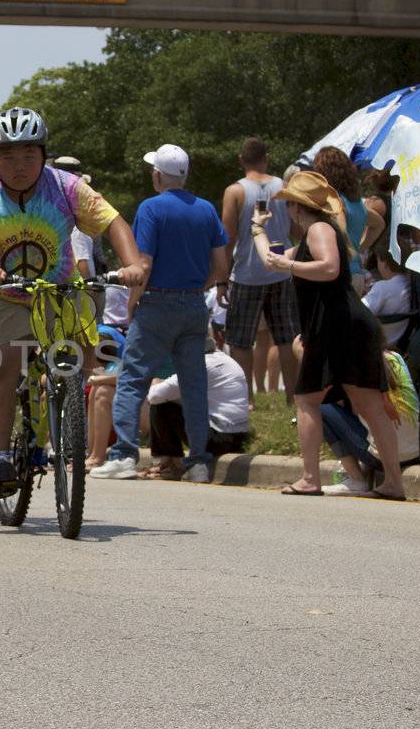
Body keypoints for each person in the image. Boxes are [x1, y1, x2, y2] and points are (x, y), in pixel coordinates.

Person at [0, 108, 147, 495]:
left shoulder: (66, 188)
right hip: (1, 294)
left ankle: (62, 410)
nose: (19, 167)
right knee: (4, 361)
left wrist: (132, 263)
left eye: (29, 156)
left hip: (57, 290)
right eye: (9, 158)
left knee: (84, 352)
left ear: (43, 155)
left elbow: (113, 222)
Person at [253, 170, 404, 498]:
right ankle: (393, 482)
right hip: (347, 325)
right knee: (367, 403)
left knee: (307, 399)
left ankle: (310, 478)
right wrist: (257, 228)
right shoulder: (316, 232)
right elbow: (270, 260)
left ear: (297, 208)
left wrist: (288, 267)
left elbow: (330, 267)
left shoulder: (319, 229)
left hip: (335, 325)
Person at [92, 144, 228, 482]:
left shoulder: (151, 208)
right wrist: (198, 286)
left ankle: (124, 455)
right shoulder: (207, 210)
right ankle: (198, 462)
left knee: (133, 377)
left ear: (157, 175)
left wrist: (133, 299)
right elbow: (222, 266)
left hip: (156, 301)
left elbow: (144, 263)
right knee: (194, 384)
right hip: (194, 304)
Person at [219, 137, 300, 406]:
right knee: (286, 338)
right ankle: (292, 395)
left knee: (241, 341)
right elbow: (296, 228)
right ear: (267, 157)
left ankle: (247, 399)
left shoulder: (235, 192)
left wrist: (221, 278)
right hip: (281, 270)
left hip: (247, 273)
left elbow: (227, 238)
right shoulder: (283, 187)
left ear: (241, 160)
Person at [144, 337, 251, 479]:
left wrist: (156, 382)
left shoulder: (199, 365)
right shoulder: (226, 360)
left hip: (219, 438)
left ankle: (170, 464)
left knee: (162, 406)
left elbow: (154, 396)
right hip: (239, 435)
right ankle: (169, 463)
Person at [321, 350, 420, 496]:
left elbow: (351, 409)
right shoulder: (395, 356)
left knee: (320, 407)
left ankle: (356, 480)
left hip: (382, 458)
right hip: (416, 452)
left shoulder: (350, 363)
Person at [313, 145, 367, 290]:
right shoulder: (358, 202)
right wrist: (358, 249)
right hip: (357, 273)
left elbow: (340, 232)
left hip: (341, 276)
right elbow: (378, 224)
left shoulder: (335, 201)